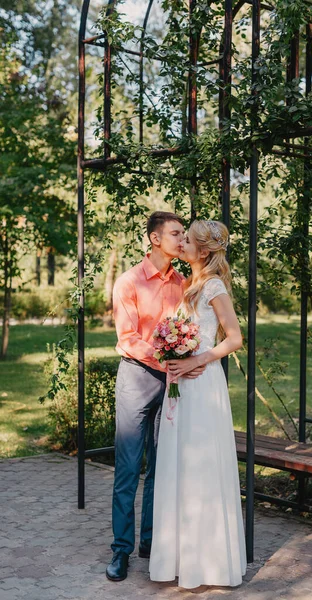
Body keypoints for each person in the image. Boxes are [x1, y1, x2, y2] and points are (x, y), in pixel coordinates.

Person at [106, 211, 205, 582]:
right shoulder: (129, 282)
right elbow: (127, 339)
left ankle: (150, 542)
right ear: (155, 239)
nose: (182, 240)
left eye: (184, 235)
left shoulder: (184, 282)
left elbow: (191, 329)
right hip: (137, 378)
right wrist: (167, 360)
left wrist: (183, 361)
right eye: (177, 234)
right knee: (129, 469)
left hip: (172, 382)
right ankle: (121, 551)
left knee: (162, 467)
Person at [149, 220, 247, 590]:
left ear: (203, 251)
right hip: (184, 386)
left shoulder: (214, 286)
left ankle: (209, 564)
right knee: (180, 465)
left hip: (203, 384)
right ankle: (180, 558)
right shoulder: (188, 284)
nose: (183, 243)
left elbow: (234, 338)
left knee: (202, 466)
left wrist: (195, 360)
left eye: (187, 240)